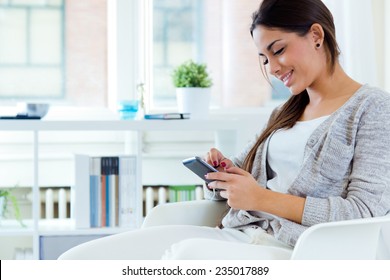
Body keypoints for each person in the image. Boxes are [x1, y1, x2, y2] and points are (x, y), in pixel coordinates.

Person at [60, 0, 390, 260]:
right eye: (263, 58)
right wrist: (223, 174)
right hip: (239, 234)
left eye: (278, 50)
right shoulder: (284, 111)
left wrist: (261, 198)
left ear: (316, 36)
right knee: (79, 261)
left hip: (294, 251)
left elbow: (363, 213)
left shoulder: (372, 107)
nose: (272, 68)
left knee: (185, 257)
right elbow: (239, 184)